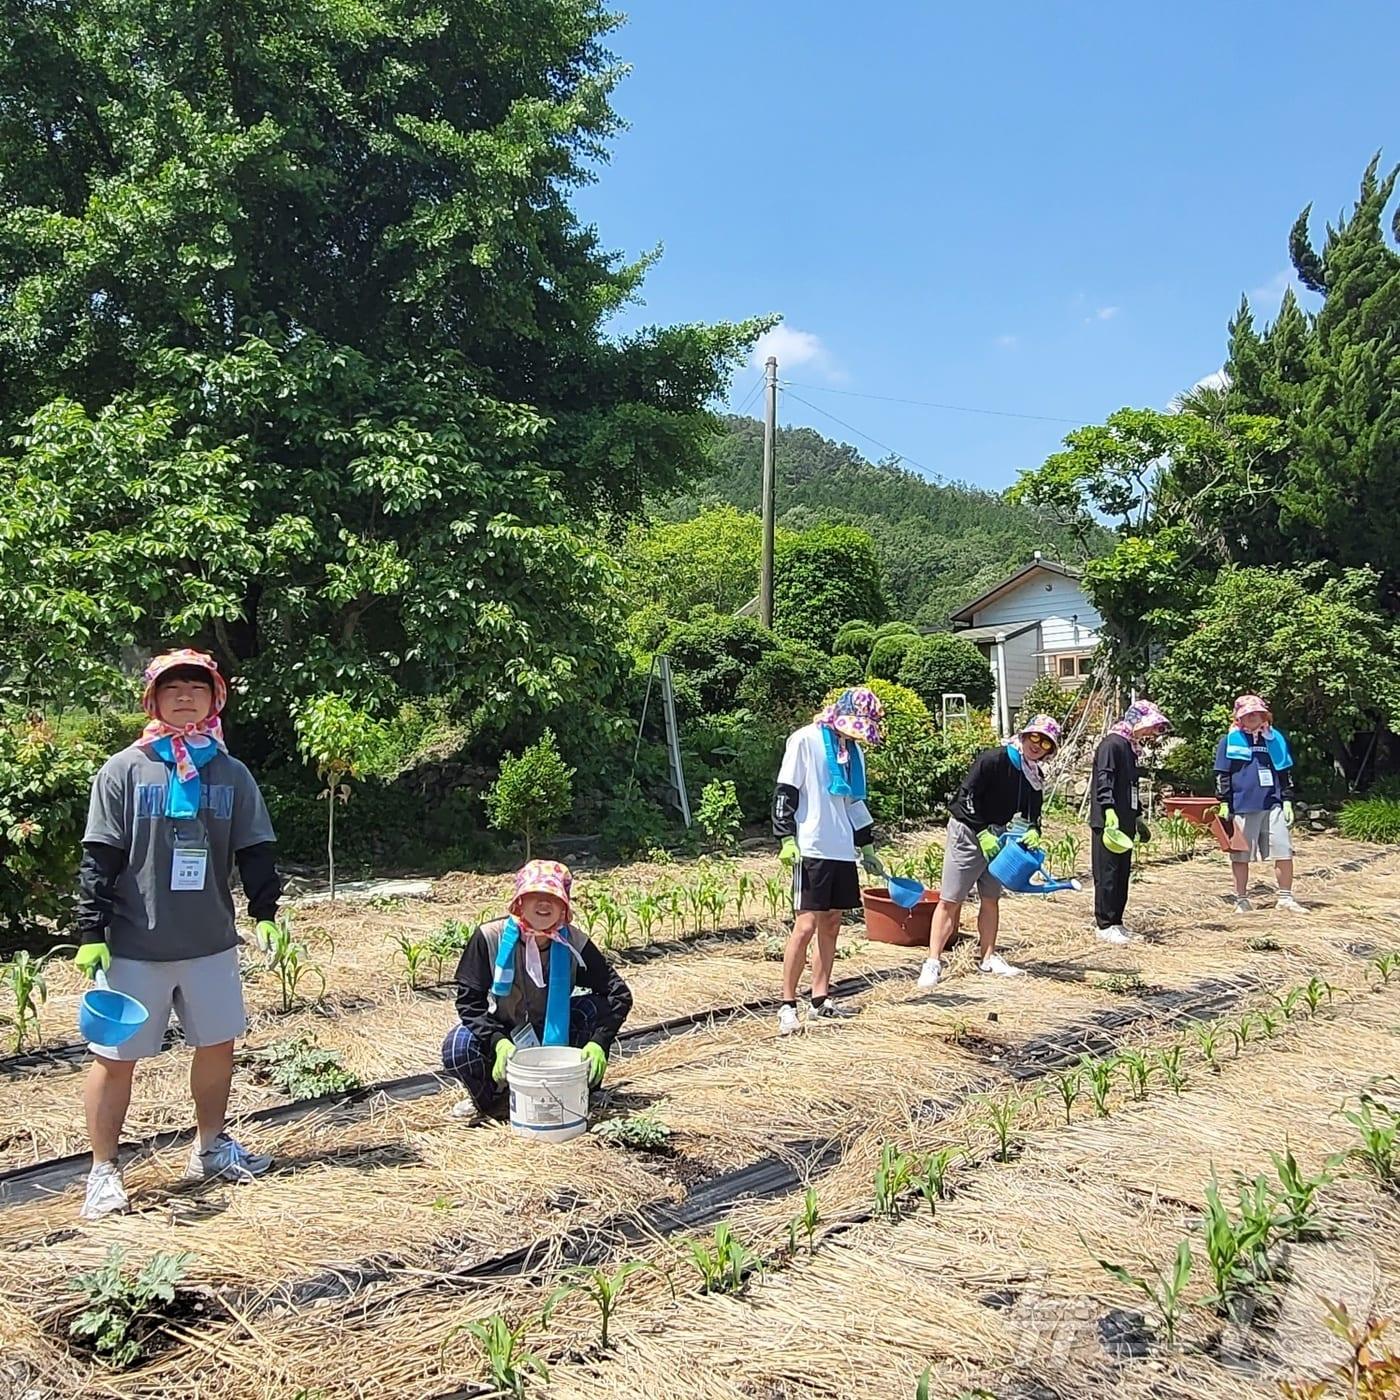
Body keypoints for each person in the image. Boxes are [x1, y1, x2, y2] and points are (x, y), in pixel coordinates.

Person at [74, 649, 282, 1221]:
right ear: (153, 699)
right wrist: (91, 928)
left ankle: (210, 1147)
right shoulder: (124, 769)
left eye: (197, 686)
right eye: (172, 688)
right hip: (135, 945)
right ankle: (103, 1171)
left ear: (215, 699)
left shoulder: (231, 773)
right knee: (116, 1058)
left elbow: (255, 849)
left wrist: (265, 912)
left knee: (216, 1047)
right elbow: (101, 854)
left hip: (210, 941)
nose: (184, 695)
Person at [441, 860, 633, 1121]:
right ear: (519, 901)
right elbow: (469, 1003)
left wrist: (599, 1042)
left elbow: (618, 993)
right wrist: (498, 1042)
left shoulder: (574, 943)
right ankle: (492, 1102)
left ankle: (578, 1093)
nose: (544, 904)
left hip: (559, 1029)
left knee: (595, 1008)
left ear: (564, 906)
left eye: (552, 898)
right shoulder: (489, 938)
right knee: (458, 1047)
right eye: (535, 896)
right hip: (506, 1030)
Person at [772, 687, 887, 1035]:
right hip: (811, 845)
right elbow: (786, 790)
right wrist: (786, 837)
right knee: (806, 924)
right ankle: (787, 1004)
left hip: (841, 849)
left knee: (833, 923)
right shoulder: (805, 740)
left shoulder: (853, 754)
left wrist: (866, 846)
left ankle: (820, 998)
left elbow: (854, 802)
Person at [917, 715, 1062, 989]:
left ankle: (988, 957)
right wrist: (981, 831)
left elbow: (1033, 816)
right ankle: (933, 962)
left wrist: (1034, 831)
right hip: (968, 832)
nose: (1037, 745)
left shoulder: (1033, 777)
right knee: (951, 899)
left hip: (998, 837)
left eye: (1045, 743)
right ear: (1024, 735)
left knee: (991, 898)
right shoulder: (994, 759)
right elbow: (965, 797)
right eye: (1034, 737)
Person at [1089, 700, 1171, 944]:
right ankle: (1104, 924)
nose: (1149, 732)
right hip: (1108, 822)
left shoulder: (1128, 747)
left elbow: (1130, 787)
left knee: (1122, 872)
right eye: (1149, 726)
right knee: (1108, 873)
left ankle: (1117, 921)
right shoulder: (1112, 744)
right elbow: (1105, 778)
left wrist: (1137, 816)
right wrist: (1108, 809)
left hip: (1124, 820)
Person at [1215, 695, 1306, 914]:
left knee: (1283, 850)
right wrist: (1224, 801)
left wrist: (1287, 800)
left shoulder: (1273, 739)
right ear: (1239, 717)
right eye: (1247, 714)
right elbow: (1222, 773)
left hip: (1272, 804)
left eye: (1257, 713)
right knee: (1240, 855)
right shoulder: (1229, 740)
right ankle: (1241, 899)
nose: (1253, 717)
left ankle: (1285, 896)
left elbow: (1284, 771)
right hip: (1242, 805)